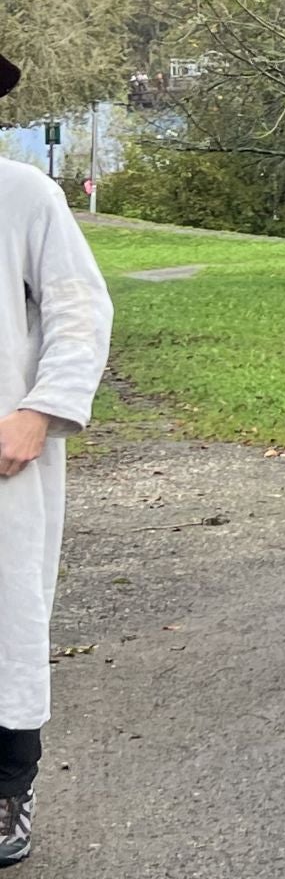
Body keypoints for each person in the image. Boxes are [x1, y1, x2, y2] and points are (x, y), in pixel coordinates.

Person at [0, 53, 114, 871]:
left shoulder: (25, 197)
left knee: (7, 622)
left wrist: (39, 412)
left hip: (4, 456)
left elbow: (80, 309)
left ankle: (8, 786)